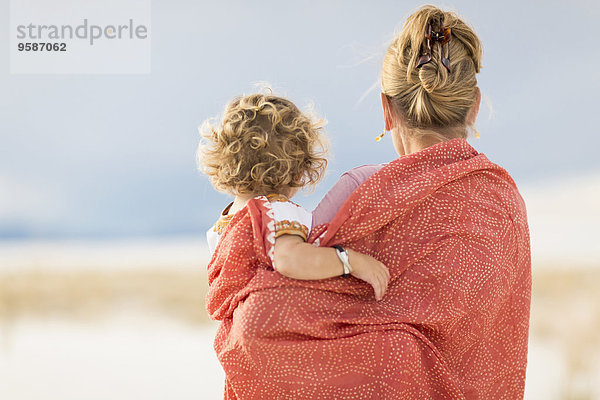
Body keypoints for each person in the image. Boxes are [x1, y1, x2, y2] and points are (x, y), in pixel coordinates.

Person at [204, 5, 531, 399]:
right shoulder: (503, 202)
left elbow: (271, 280)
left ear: (386, 110)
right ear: (475, 104)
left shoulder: (359, 190)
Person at [199, 92, 390, 309]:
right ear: (299, 170)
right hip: (273, 323)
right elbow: (289, 258)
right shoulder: (274, 210)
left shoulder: (221, 226)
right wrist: (351, 261)